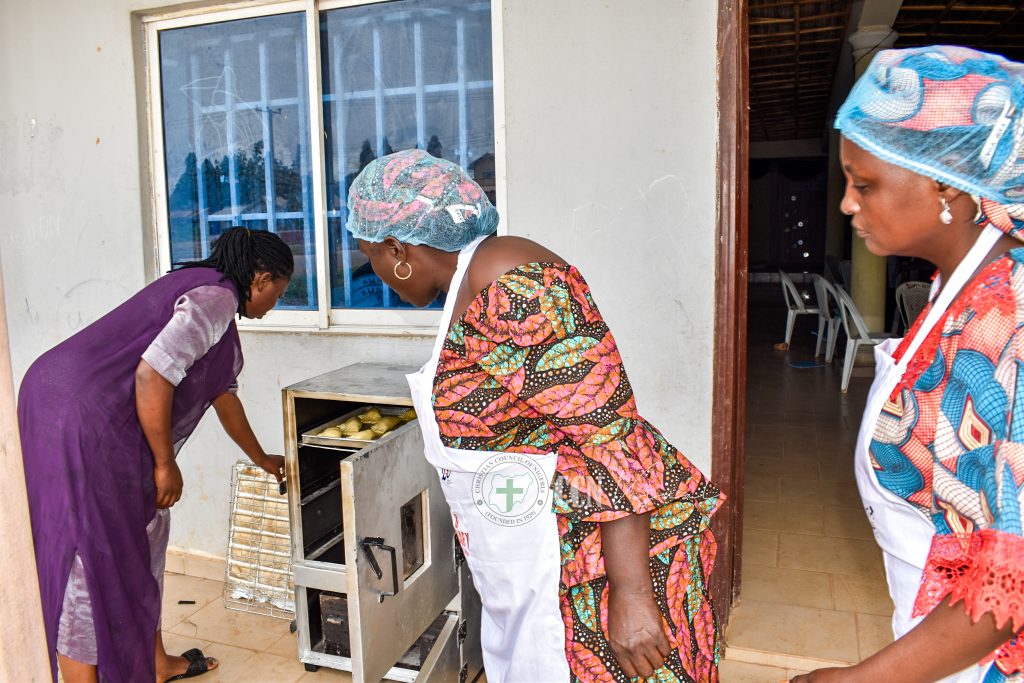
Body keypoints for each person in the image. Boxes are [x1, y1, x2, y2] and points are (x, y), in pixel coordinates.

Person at [345, 149, 722, 682]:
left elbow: (611, 436)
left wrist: (632, 594)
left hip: (597, 568)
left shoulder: (507, 279)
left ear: (396, 248)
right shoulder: (472, 283)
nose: (378, 274)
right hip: (540, 558)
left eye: (372, 257)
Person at [793, 46, 1024, 682]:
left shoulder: (1008, 316)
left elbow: (1011, 578)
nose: (847, 204)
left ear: (945, 183)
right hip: (936, 630)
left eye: (864, 184)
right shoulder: (960, 286)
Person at [19, 227, 292, 683]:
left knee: (146, 531)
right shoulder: (218, 298)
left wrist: (262, 458)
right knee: (88, 549)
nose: (273, 305)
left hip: (57, 400)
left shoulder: (204, 297)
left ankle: (156, 661)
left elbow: (223, 396)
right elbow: (152, 375)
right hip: (82, 418)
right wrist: (165, 463)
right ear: (261, 280)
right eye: (277, 294)